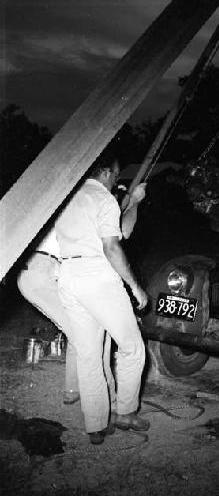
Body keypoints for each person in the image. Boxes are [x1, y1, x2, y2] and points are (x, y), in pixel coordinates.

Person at [17, 183, 147, 408]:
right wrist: (134, 203)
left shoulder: (68, 196)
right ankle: (111, 400)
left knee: (80, 333)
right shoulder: (92, 203)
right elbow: (122, 233)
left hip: (32, 270)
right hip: (46, 269)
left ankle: (72, 390)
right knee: (96, 342)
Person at [55, 152, 149, 445]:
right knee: (133, 347)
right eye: (116, 174)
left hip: (67, 276)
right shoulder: (103, 199)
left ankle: (95, 426)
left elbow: (121, 229)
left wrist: (132, 203)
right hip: (96, 275)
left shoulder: (66, 198)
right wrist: (134, 286)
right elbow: (112, 246)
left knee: (88, 354)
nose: (115, 180)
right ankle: (125, 413)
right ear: (107, 172)